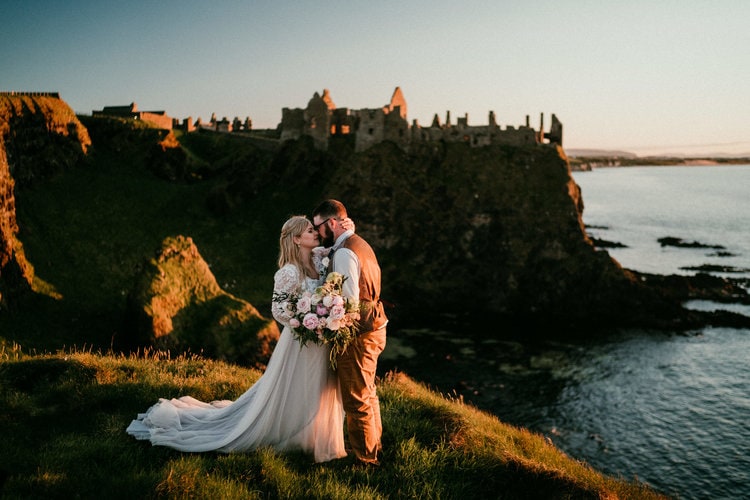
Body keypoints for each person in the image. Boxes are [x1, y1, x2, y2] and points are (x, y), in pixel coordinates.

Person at [125, 215, 352, 463]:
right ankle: (285, 434)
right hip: (300, 340)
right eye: (309, 230)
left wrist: (348, 228)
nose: (315, 232)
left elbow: (337, 244)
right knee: (295, 388)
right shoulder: (288, 272)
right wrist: (305, 320)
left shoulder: (318, 260)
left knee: (315, 388)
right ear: (297, 239)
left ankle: (309, 434)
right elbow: (278, 310)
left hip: (317, 340)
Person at [312, 200, 388, 467]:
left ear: (331, 223)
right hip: (376, 325)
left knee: (356, 400)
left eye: (318, 226)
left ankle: (367, 461)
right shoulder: (357, 243)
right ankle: (374, 447)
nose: (316, 232)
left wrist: (330, 325)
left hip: (359, 335)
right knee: (368, 392)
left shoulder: (344, 254)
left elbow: (348, 304)